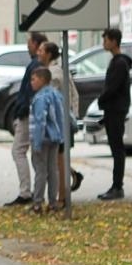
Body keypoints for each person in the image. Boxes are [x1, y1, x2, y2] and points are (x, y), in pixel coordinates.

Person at [3, 30, 48, 207]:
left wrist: (21, 110)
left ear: (36, 45)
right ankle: (32, 191)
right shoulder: (35, 64)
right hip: (27, 112)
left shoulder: (35, 66)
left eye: (29, 43)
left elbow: (29, 91)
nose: (27, 46)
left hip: (27, 113)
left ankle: (26, 192)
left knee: (19, 151)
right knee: (36, 153)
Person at [42, 40, 85, 193]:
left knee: (57, 157)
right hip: (64, 119)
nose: (39, 53)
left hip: (59, 121)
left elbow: (50, 98)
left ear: (48, 54)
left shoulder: (54, 73)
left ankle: (62, 194)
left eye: (42, 50)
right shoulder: (57, 69)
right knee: (59, 156)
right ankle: (70, 179)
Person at [97, 27, 132, 201]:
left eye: (106, 39)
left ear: (114, 41)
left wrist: (101, 99)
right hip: (113, 110)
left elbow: (113, 87)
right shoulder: (117, 62)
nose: (104, 42)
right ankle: (116, 185)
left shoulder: (119, 63)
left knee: (117, 149)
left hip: (116, 110)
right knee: (116, 148)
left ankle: (117, 186)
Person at [28, 66, 66, 213]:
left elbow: (40, 120)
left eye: (33, 79)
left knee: (40, 171)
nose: (31, 82)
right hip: (55, 138)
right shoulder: (56, 95)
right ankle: (53, 202)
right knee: (53, 170)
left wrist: (36, 142)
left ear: (42, 80)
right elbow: (61, 118)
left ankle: (37, 203)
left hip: (42, 138)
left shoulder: (40, 98)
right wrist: (61, 137)